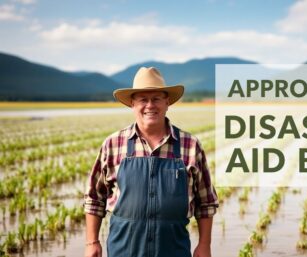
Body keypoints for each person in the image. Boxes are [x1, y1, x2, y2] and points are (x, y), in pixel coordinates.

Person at [84, 67, 219, 257]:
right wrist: (92, 242)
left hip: (174, 251)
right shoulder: (113, 143)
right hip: (123, 251)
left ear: (167, 102)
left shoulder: (190, 145)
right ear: (132, 103)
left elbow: (205, 203)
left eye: (156, 99)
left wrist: (205, 245)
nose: (150, 105)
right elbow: (94, 198)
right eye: (143, 100)